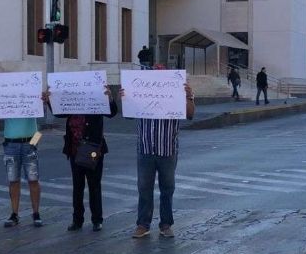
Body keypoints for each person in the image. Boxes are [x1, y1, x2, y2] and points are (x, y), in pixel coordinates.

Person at [120, 72, 195, 239]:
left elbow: (190, 114)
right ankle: (142, 224)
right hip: (145, 148)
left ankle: (166, 224)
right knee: (144, 188)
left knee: (167, 188)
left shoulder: (179, 93)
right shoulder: (140, 93)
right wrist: (125, 98)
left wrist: (188, 97)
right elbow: (128, 114)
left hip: (167, 149)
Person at [46, 87, 118, 232]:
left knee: (94, 184)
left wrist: (109, 98)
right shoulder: (72, 102)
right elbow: (59, 113)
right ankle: (77, 219)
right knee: (77, 186)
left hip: (93, 148)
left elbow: (112, 113)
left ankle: (97, 220)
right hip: (75, 149)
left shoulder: (97, 99)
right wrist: (50, 100)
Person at [1, 115, 44, 228]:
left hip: (30, 140)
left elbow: (41, 110)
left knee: (33, 179)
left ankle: (36, 213)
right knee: (13, 180)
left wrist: (35, 141)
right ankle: (14, 214)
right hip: (10, 141)